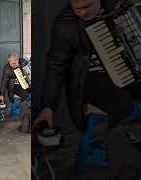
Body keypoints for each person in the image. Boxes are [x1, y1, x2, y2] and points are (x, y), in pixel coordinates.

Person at [33, 0, 141, 178]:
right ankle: (124, 162)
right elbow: (56, 67)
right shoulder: (66, 24)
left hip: (131, 72)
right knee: (122, 104)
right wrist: (48, 107)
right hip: (90, 80)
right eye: (77, 9)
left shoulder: (119, 6)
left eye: (88, 6)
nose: (83, 13)